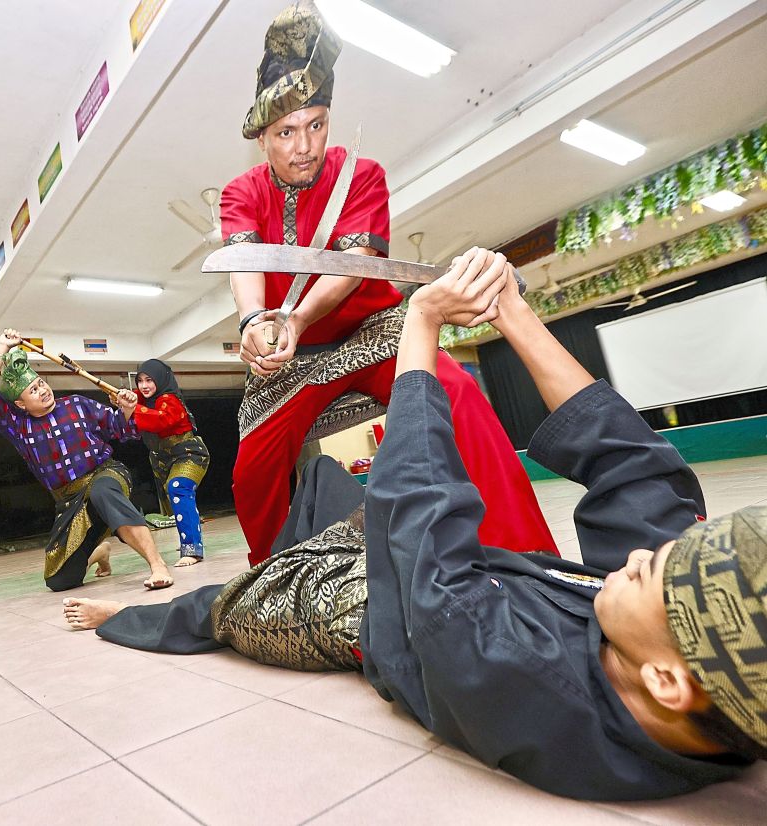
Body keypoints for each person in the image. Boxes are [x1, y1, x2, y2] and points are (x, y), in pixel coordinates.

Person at [65, 248, 767, 801]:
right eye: (672, 555)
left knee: (237, 600)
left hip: (379, 613)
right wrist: (510, 312)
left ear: (670, 685)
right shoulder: (693, 652)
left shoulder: (521, 682)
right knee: (321, 481)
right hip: (452, 568)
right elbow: (635, 468)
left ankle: (118, 617)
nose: (650, 560)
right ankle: (302, 530)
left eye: (659, 575)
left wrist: (422, 321)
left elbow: (418, 505)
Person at [221, 4, 556, 564]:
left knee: (462, 397)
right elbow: (244, 265)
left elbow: (353, 268)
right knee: (252, 470)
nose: (304, 146)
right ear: (262, 139)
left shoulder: (362, 175)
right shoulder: (241, 192)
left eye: (316, 125)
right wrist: (257, 322)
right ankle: (273, 581)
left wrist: (298, 317)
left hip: (373, 330)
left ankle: (526, 559)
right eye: (285, 132)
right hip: (291, 355)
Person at [0, 329, 173, 591]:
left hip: (106, 473)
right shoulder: (18, 426)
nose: (42, 390)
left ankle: (157, 565)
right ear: (21, 404)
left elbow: (121, 429)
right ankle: (100, 552)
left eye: (41, 383)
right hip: (70, 498)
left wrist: (126, 409)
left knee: (103, 492)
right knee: (59, 580)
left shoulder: (78, 404)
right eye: (33, 390)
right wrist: (2, 346)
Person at [133, 359, 211, 566]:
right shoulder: (144, 402)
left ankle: (192, 549)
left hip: (189, 455)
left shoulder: (171, 400)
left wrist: (132, 407)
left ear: (160, 379)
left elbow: (161, 420)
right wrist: (125, 402)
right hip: (162, 460)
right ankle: (188, 537)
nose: (144, 385)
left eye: (149, 380)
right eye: (140, 381)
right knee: (172, 496)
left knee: (179, 488)